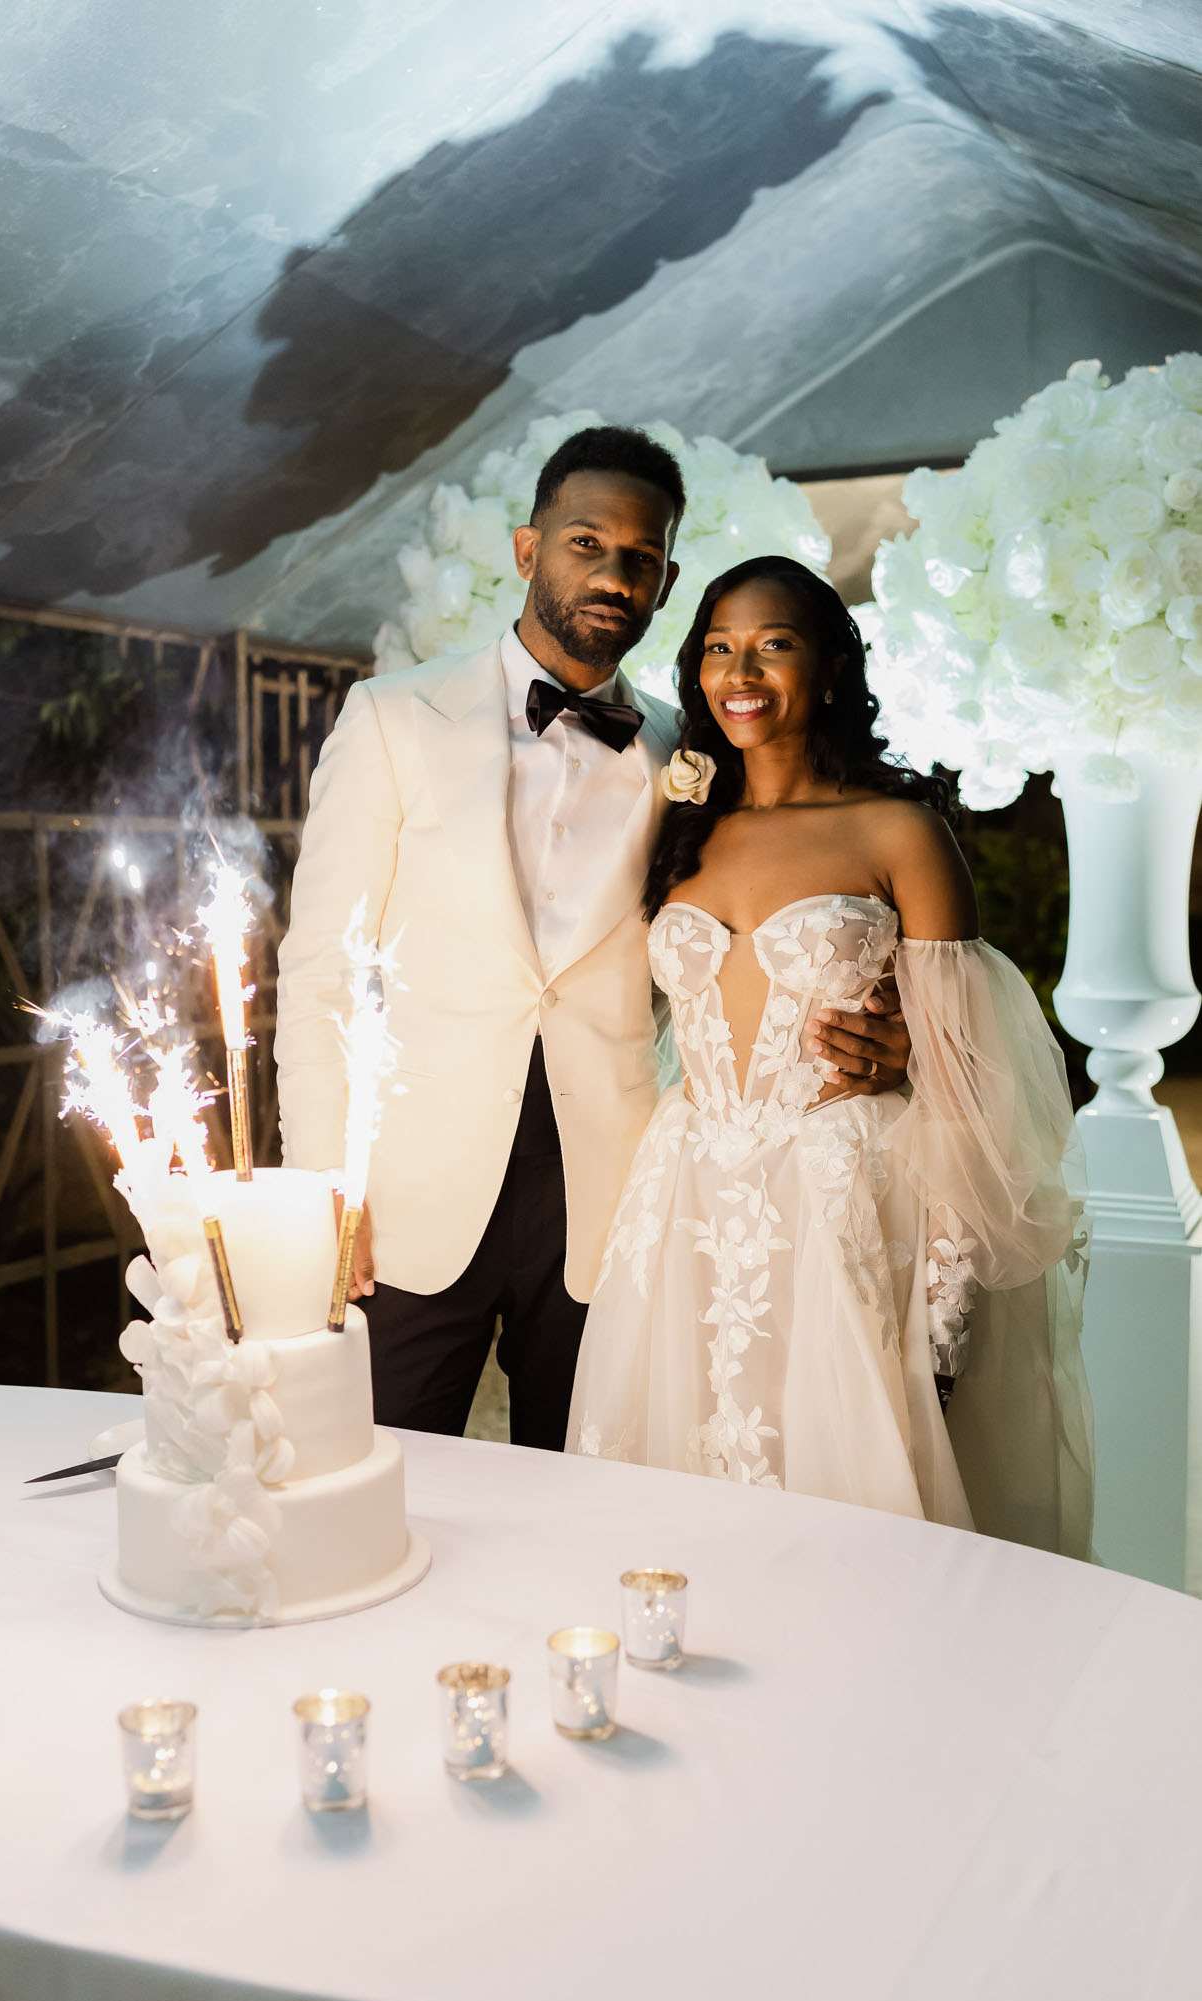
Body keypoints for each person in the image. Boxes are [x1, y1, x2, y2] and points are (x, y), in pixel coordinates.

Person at [275, 431, 910, 1450]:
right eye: (586, 543)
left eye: (643, 558)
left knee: (589, 1496)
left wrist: (891, 1028)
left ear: (664, 584)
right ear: (529, 551)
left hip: (615, 1196)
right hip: (408, 1193)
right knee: (378, 1470)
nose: (613, 573)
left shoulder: (688, 749)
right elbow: (318, 977)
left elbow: (778, 914)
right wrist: (323, 1188)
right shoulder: (394, 719)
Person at [567, 554, 1094, 1555]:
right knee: (679, 1498)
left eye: (775, 645)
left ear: (831, 669)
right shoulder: (680, 828)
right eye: (720, 647)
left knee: (847, 1503)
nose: (742, 672)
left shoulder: (898, 830)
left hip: (841, 1197)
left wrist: (946, 1305)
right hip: (686, 1203)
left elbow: (983, 1075)